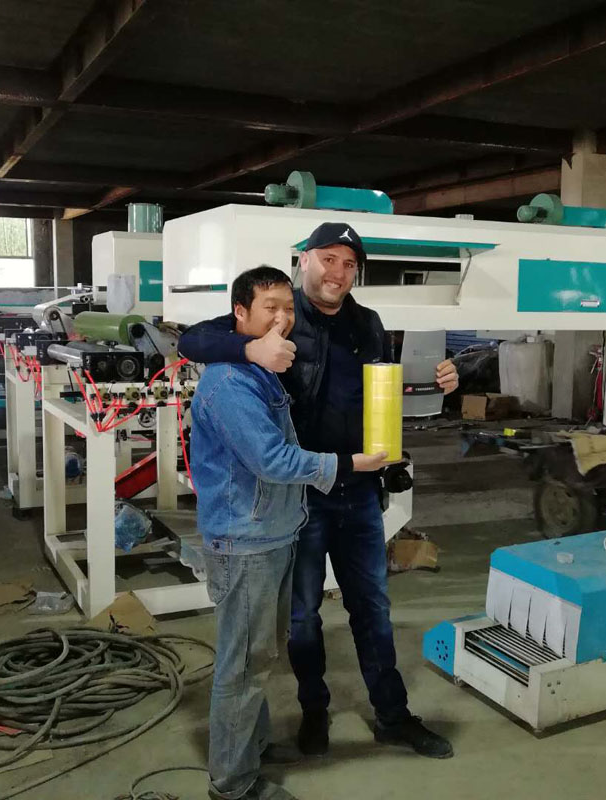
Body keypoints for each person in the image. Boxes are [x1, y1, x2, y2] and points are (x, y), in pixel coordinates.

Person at [180, 222, 458, 761]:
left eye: (349, 264)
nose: (338, 272)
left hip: (358, 489)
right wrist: (252, 350)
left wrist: (437, 382)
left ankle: (393, 716)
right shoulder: (279, 314)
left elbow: (377, 391)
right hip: (301, 493)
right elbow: (194, 340)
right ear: (303, 260)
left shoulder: (367, 323)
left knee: (372, 607)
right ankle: (314, 712)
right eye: (328, 259)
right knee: (303, 616)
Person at [191, 265, 387, 800]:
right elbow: (273, 460)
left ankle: (250, 749)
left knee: (260, 657)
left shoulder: (263, 370)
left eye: (286, 307)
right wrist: (348, 464)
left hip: (271, 533)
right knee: (242, 666)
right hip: (244, 540)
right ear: (240, 314)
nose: (281, 318)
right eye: (268, 308)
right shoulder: (230, 382)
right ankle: (232, 784)